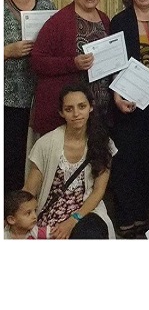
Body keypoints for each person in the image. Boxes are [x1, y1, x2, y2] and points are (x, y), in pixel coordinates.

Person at [109, 0, 149, 238]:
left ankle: (145, 214)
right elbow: (113, 63)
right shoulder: (119, 21)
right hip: (128, 101)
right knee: (126, 158)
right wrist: (117, 95)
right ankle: (126, 215)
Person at [24, 82, 115, 239]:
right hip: (50, 213)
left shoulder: (103, 142)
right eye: (69, 109)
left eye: (81, 106)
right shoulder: (46, 144)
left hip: (86, 211)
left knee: (91, 233)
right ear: (61, 113)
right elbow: (29, 190)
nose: (76, 114)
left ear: (91, 107)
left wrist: (73, 220)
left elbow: (99, 190)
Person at [31, 0, 111, 137]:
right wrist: (72, 63)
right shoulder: (59, 21)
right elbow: (37, 60)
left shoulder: (104, 19)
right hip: (67, 114)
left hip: (98, 112)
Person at [4, 0, 56, 192]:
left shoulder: (46, 3)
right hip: (9, 97)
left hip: (42, 94)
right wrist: (6, 52)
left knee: (41, 156)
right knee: (11, 158)